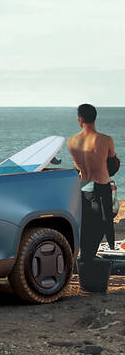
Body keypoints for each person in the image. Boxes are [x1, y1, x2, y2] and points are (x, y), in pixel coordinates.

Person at [67, 103, 117, 255]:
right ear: (94, 117)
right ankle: (88, 260)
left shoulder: (71, 141)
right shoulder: (106, 140)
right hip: (101, 187)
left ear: (80, 119)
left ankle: (85, 258)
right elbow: (113, 165)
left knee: (86, 227)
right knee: (102, 226)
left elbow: (77, 168)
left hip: (82, 189)